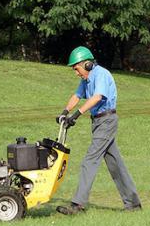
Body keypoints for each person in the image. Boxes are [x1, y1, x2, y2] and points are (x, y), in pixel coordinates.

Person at [55, 46, 142, 215]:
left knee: (90, 160)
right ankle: (133, 205)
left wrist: (77, 114)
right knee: (115, 163)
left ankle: (77, 205)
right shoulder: (85, 80)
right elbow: (77, 96)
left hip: (107, 120)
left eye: (76, 68)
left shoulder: (101, 74)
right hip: (98, 123)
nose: (76, 73)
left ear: (86, 64)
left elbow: (97, 97)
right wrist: (65, 112)